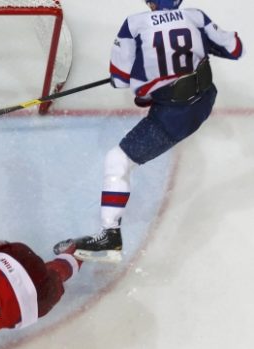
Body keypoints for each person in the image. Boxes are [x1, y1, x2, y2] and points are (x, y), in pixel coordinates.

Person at [53, 0, 244, 261]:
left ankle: (109, 236)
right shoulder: (196, 16)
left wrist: (140, 70)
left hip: (173, 117)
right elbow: (235, 49)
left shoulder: (134, 25)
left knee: (118, 160)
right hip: (204, 101)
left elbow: (120, 80)